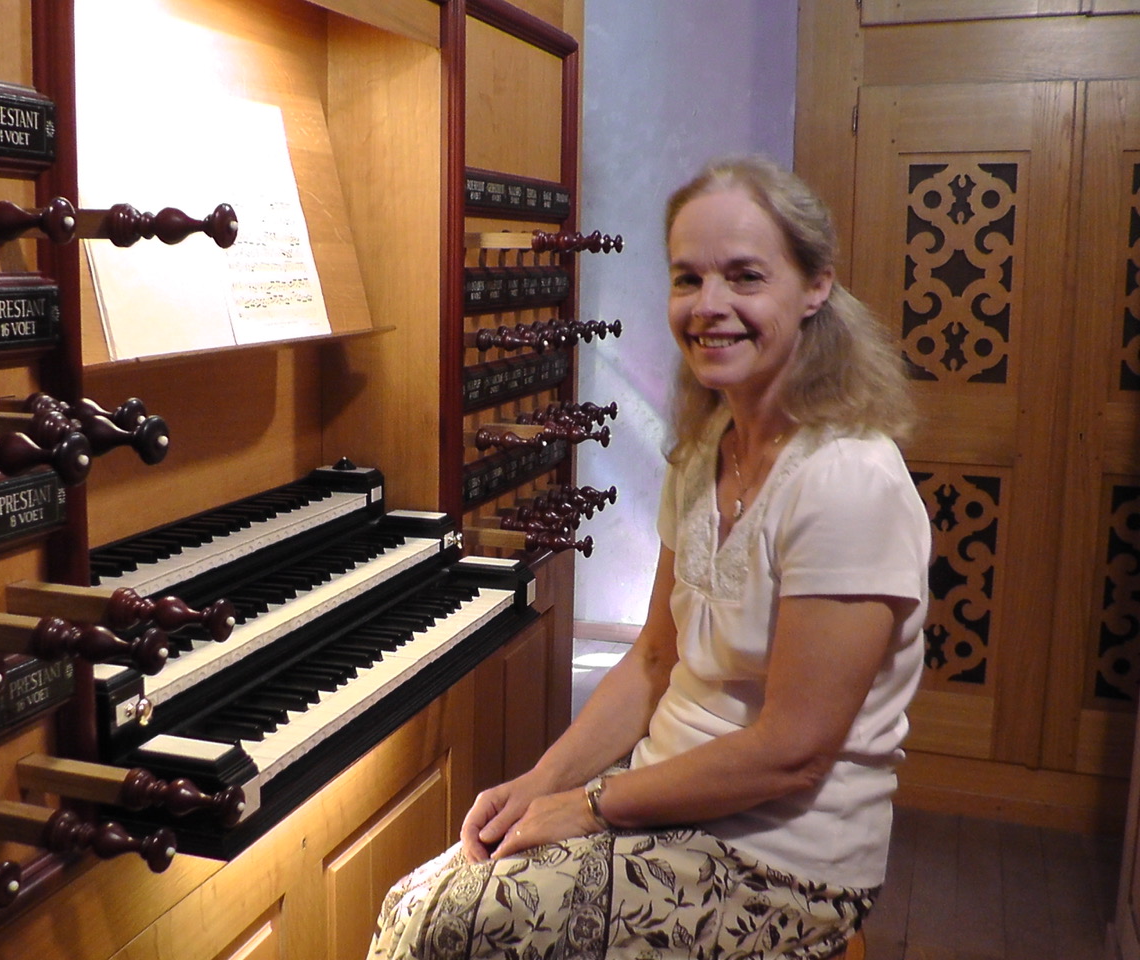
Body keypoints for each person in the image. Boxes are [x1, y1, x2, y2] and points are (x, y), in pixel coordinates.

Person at [367, 156, 932, 960]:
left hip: (785, 864)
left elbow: (793, 751)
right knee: (414, 905)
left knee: (453, 931)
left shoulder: (849, 481)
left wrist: (590, 805)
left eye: (744, 277)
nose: (710, 307)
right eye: (686, 278)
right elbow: (653, 660)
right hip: (668, 808)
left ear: (814, 289)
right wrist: (541, 783)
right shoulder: (706, 451)